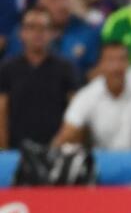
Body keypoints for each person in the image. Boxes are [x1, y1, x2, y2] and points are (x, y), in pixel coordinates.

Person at [52, 42, 131, 149]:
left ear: (128, 63)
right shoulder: (87, 95)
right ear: (101, 65)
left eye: (122, 59)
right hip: (104, 170)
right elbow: (66, 134)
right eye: (110, 60)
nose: (117, 67)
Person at [0, 8, 78, 149]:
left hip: (55, 153)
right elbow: (2, 113)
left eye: (43, 28)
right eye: (31, 27)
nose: (37, 33)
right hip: (16, 153)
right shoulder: (7, 69)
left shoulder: (66, 68)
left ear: (52, 33)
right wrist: (4, 153)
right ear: (21, 33)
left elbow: (75, 113)